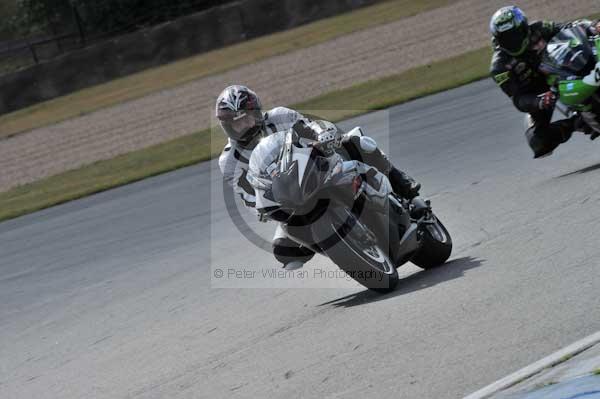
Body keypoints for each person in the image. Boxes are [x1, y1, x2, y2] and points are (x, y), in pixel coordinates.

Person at [216, 85, 420, 269]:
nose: (246, 125)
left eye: (248, 117)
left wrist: (322, 134)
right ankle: (342, 249)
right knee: (283, 251)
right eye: (238, 123)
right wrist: (260, 209)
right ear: (227, 126)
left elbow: (309, 126)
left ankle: (403, 184)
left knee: (355, 140)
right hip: (286, 199)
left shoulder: (279, 116)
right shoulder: (228, 161)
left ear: (258, 112)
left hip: (316, 166)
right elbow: (248, 196)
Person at [489, 6, 600, 158]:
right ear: (498, 39)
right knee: (539, 142)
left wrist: (590, 26)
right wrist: (539, 101)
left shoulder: (539, 28)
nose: (512, 42)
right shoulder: (499, 68)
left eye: (515, 35)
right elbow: (518, 99)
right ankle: (576, 123)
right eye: (506, 38)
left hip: (561, 69)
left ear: (524, 29)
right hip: (540, 91)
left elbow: (568, 27)